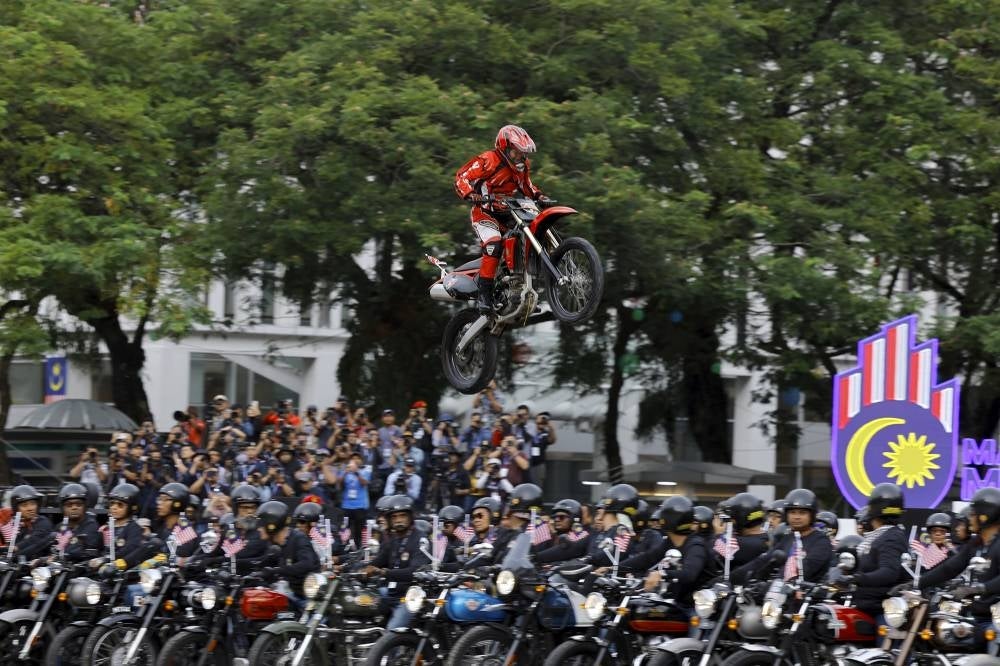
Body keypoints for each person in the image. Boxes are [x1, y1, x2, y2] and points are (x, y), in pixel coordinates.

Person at [455, 125, 549, 314]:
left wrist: (538, 196)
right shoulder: (488, 160)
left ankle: (521, 291)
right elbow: (461, 177)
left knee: (529, 236)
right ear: (505, 148)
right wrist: (470, 194)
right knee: (494, 245)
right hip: (484, 212)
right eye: (516, 152)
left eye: (523, 153)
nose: (520, 156)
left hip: (508, 210)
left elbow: (526, 186)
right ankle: (484, 298)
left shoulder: (522, 166)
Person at [621, 496, 714, 615]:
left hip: (697, 608)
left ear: (669, 520)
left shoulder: (696, 545)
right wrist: (613, 569)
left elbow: (689, 574)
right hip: (676, 602)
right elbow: (647, 558)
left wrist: (662, 574)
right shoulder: (670, 542)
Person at [830, 483, 905, 620]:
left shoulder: (891, 537)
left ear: (873, 508)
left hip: (881, 610)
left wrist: (856, 578)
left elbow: (889, 572)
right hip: (865, 605)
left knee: (885, 641)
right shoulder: (880, 537)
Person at [733, 488, 832, 585]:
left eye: (802, 513)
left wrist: (772, 584)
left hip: (808, 598)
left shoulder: (821, 541)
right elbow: (761, 561)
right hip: (779, 594)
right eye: (792, 512)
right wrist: (728, 579)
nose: (796, 517)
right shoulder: (788, 538)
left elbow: (806, 567)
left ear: (812, 515)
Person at [363, 495, 431, 630]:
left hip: (410, 598)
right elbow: (377, 562)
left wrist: (384, 572)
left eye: (402, 516)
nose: (398, 520)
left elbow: (416, 572)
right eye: (394, 517)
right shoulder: (393, 540)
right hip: (391, 593)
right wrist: (351, 568)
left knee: (392, 632)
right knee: (363, 605)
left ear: (410, 517)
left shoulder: (420, 540)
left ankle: (389, 648)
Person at [255, 501, 319, 609]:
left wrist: (276, 571)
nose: (258, 529)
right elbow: (261, 560)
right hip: (291, 593)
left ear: (272, 524)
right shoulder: (275, 543)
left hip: (308, 599)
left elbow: (306, 564)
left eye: (261, 524)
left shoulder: (298, 538)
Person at [584, 484, 638, 567]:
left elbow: (617, 554)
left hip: (606, 576)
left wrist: (589, 559)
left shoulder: (622, 531)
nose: (598, 518)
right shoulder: (600, 533)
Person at [0, 485, 53, 559]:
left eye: (33, 504)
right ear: (16, 508)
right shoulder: (11, 523)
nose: (30, 508)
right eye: (24, 505)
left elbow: (34, 540)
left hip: (37, 566)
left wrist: (14, 548)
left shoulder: (42, 522)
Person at [53, 483, 102, 562]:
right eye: (69, 505)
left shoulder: (91, 525)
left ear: (85, 506)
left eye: (78, 504)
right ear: (62, 507)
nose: (74, 507)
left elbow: (80, 549)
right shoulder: (60, 526)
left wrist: (59, 555)